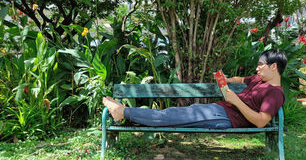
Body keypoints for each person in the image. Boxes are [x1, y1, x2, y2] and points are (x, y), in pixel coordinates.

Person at [103, 49, 287, 129]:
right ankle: (125, 112)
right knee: (173, 112)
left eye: (261, 65)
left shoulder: (275, 93)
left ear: (274, 66)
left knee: (169, 117)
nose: (257, 68)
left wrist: (236, 100)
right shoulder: (259, 80)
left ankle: (123, 112)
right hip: (219, 110)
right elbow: (242, 79)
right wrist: (227, 79)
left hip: (225, 117)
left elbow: (262, 121)